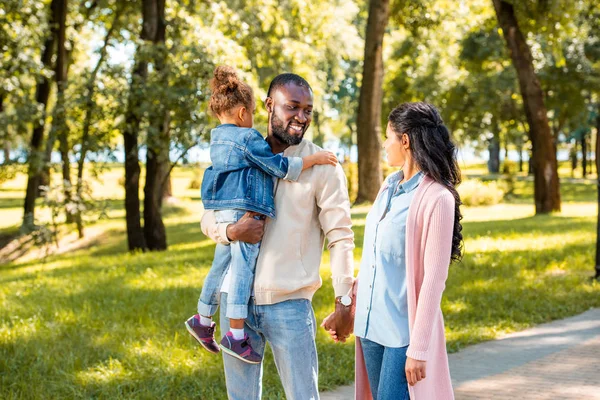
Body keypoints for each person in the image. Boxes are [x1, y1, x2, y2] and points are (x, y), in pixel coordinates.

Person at [198, 73, 356, 399]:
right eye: (293, 107)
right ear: (269, 105)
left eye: (308, 110)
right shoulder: (242, 151)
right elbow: (209, 213)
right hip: (234, 304)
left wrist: (344, 299)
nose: (302, 117)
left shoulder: (323, 166)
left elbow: (340, 236)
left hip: (289, 306)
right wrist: (229, 231)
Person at [325, 102, 462, 400]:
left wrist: (420, 348)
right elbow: (373, 261)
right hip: (371, 329)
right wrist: (348, 308)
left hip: (403, 335)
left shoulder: (437, 198)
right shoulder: (388, 187)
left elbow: (434, 280)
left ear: (405, 140)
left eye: (388, 136)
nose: (384, 144)